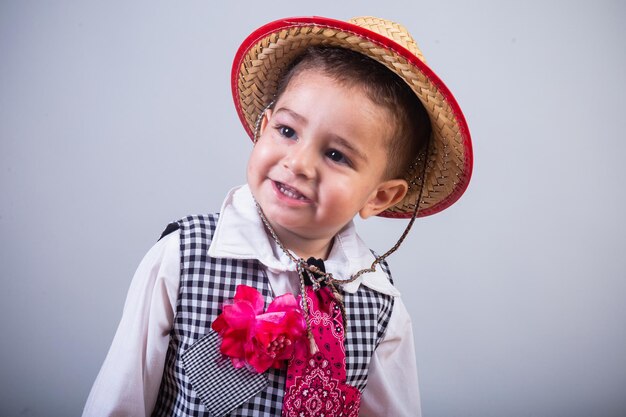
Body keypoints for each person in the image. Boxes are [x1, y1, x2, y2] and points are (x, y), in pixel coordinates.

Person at [83, 16, 472, 417]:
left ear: (380, 196)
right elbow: (118, 403)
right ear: (263, 127)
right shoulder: (183, 258)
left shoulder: (379, 304)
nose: (299, 163)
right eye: (287, 131)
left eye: (336, 155)